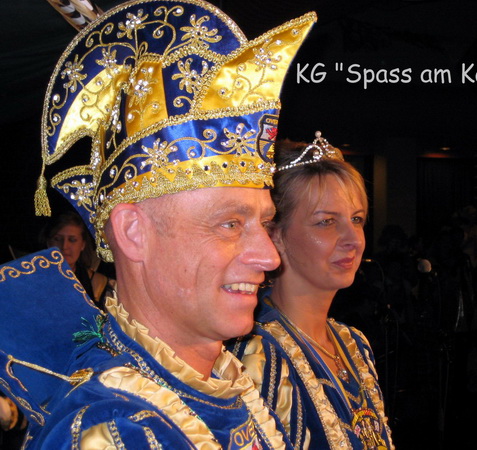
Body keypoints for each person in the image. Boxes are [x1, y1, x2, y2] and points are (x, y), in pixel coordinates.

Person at [0, 0, 315, 447]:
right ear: (134, 233)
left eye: (265, 223)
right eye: (229, 224)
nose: (269, 256)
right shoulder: (115, 431)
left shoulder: (224, 388)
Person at [230, 133, 394, 449]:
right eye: (326, 222)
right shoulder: (259, 357)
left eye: (357, 219)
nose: (354, 239)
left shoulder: (354, 344)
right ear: (275, 235)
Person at [42, 210, 114, 309]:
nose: (64, 246)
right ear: (48, 242)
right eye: (57, 239)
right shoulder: (31, 278)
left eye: (72, 240)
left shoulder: (98, 284)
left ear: (82, 245)